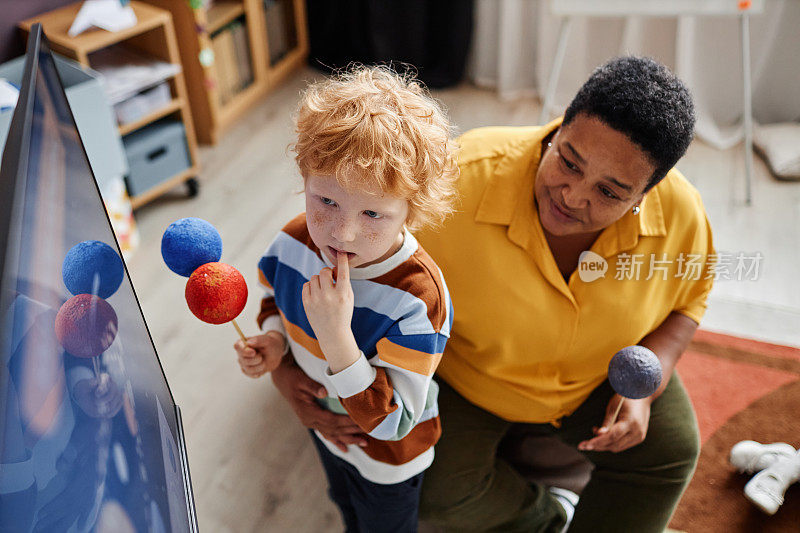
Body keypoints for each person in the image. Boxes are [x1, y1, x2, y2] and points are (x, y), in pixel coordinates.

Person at [269, 55, 716, 532]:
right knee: (432, 492)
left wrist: (650, 383)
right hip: (468, 382)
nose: (573, 195)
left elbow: (690, 300)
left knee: (672, 453)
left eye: (610, 192)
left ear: (646, 195)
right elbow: (334, 254)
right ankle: (548, 519)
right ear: (559, 126)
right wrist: (284, 366)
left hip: (599, 381)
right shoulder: (457, 180)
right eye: (568, 161)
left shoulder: (682, 214)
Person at [233, 66, 458, 532]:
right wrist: (275, 342)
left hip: (387, 458)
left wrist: (336, 337)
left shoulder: (418, 299)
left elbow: (394, 422)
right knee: (342, 501)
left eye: (373, 212)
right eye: (326, 201)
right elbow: (275, 298)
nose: (342, 232)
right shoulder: (296, 240)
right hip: (326, 428)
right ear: (305, 180)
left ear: (412, 212)